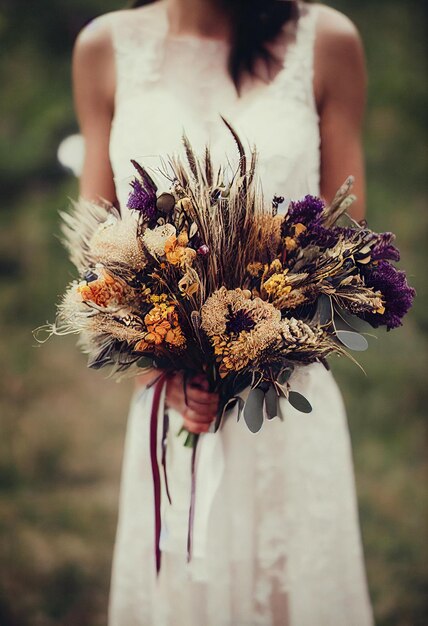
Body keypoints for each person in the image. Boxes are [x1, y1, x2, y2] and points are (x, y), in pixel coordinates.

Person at [73, 0, 374, 624]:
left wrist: (270, 345)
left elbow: (350, 236)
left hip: (287, 404)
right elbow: (95, 251)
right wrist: (160, 370)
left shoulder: (328, 40)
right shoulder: (104, 48)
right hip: (174, 407)